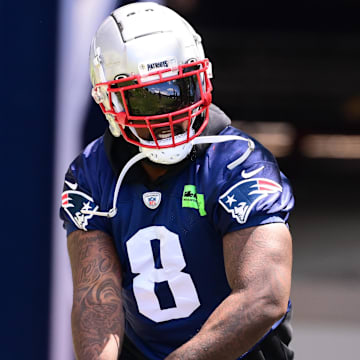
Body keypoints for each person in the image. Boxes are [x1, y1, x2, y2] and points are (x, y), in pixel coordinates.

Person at [60, 2, 295, 359]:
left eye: (179, 88)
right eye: (146, 97)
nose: (168, 110)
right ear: (108, 101)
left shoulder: (239, 164)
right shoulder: (92, 172)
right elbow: (96, 302)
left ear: (203, 78)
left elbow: (264, 298)